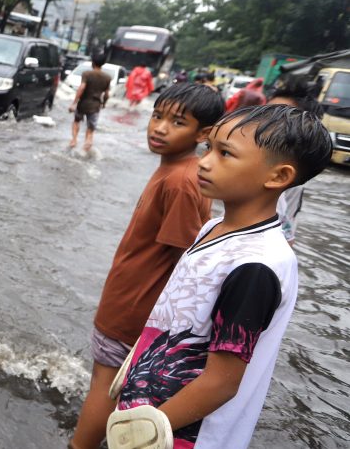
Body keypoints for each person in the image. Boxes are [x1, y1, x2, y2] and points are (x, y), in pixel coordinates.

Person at [106, 104, 332, 449]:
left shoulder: (257, 266)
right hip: (147, 411)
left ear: (278, 177)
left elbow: (221, 382)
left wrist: (142, 433)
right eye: (208, 147)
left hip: (179, 435)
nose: (205, 161)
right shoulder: (214, 227)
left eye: (225, 153)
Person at [71, 83, 225, 449]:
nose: (159, 128)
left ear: (203, 133)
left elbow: (184, 265)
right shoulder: (177, 171)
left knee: (104, 387)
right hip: (129, 298)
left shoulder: (182, 182)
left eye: (177, 122)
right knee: (109, 383)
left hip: (134, 307)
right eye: (157, 116)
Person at [266, 76, 323, 245]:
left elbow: (287, 232)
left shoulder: (291, 176)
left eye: (279, 117)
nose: (263, 121)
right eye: (264, 112)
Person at [68, 52, 113, 152]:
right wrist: (104, 104)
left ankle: (74, 140)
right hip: (95, 106)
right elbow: (106, 94)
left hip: (83, 103)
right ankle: (88, 141)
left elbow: (82, 88)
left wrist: (74, 103)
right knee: (91, 127)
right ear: (103, 63)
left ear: (92, 62)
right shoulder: (107, 77)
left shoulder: (87, 74)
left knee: (76, 121)